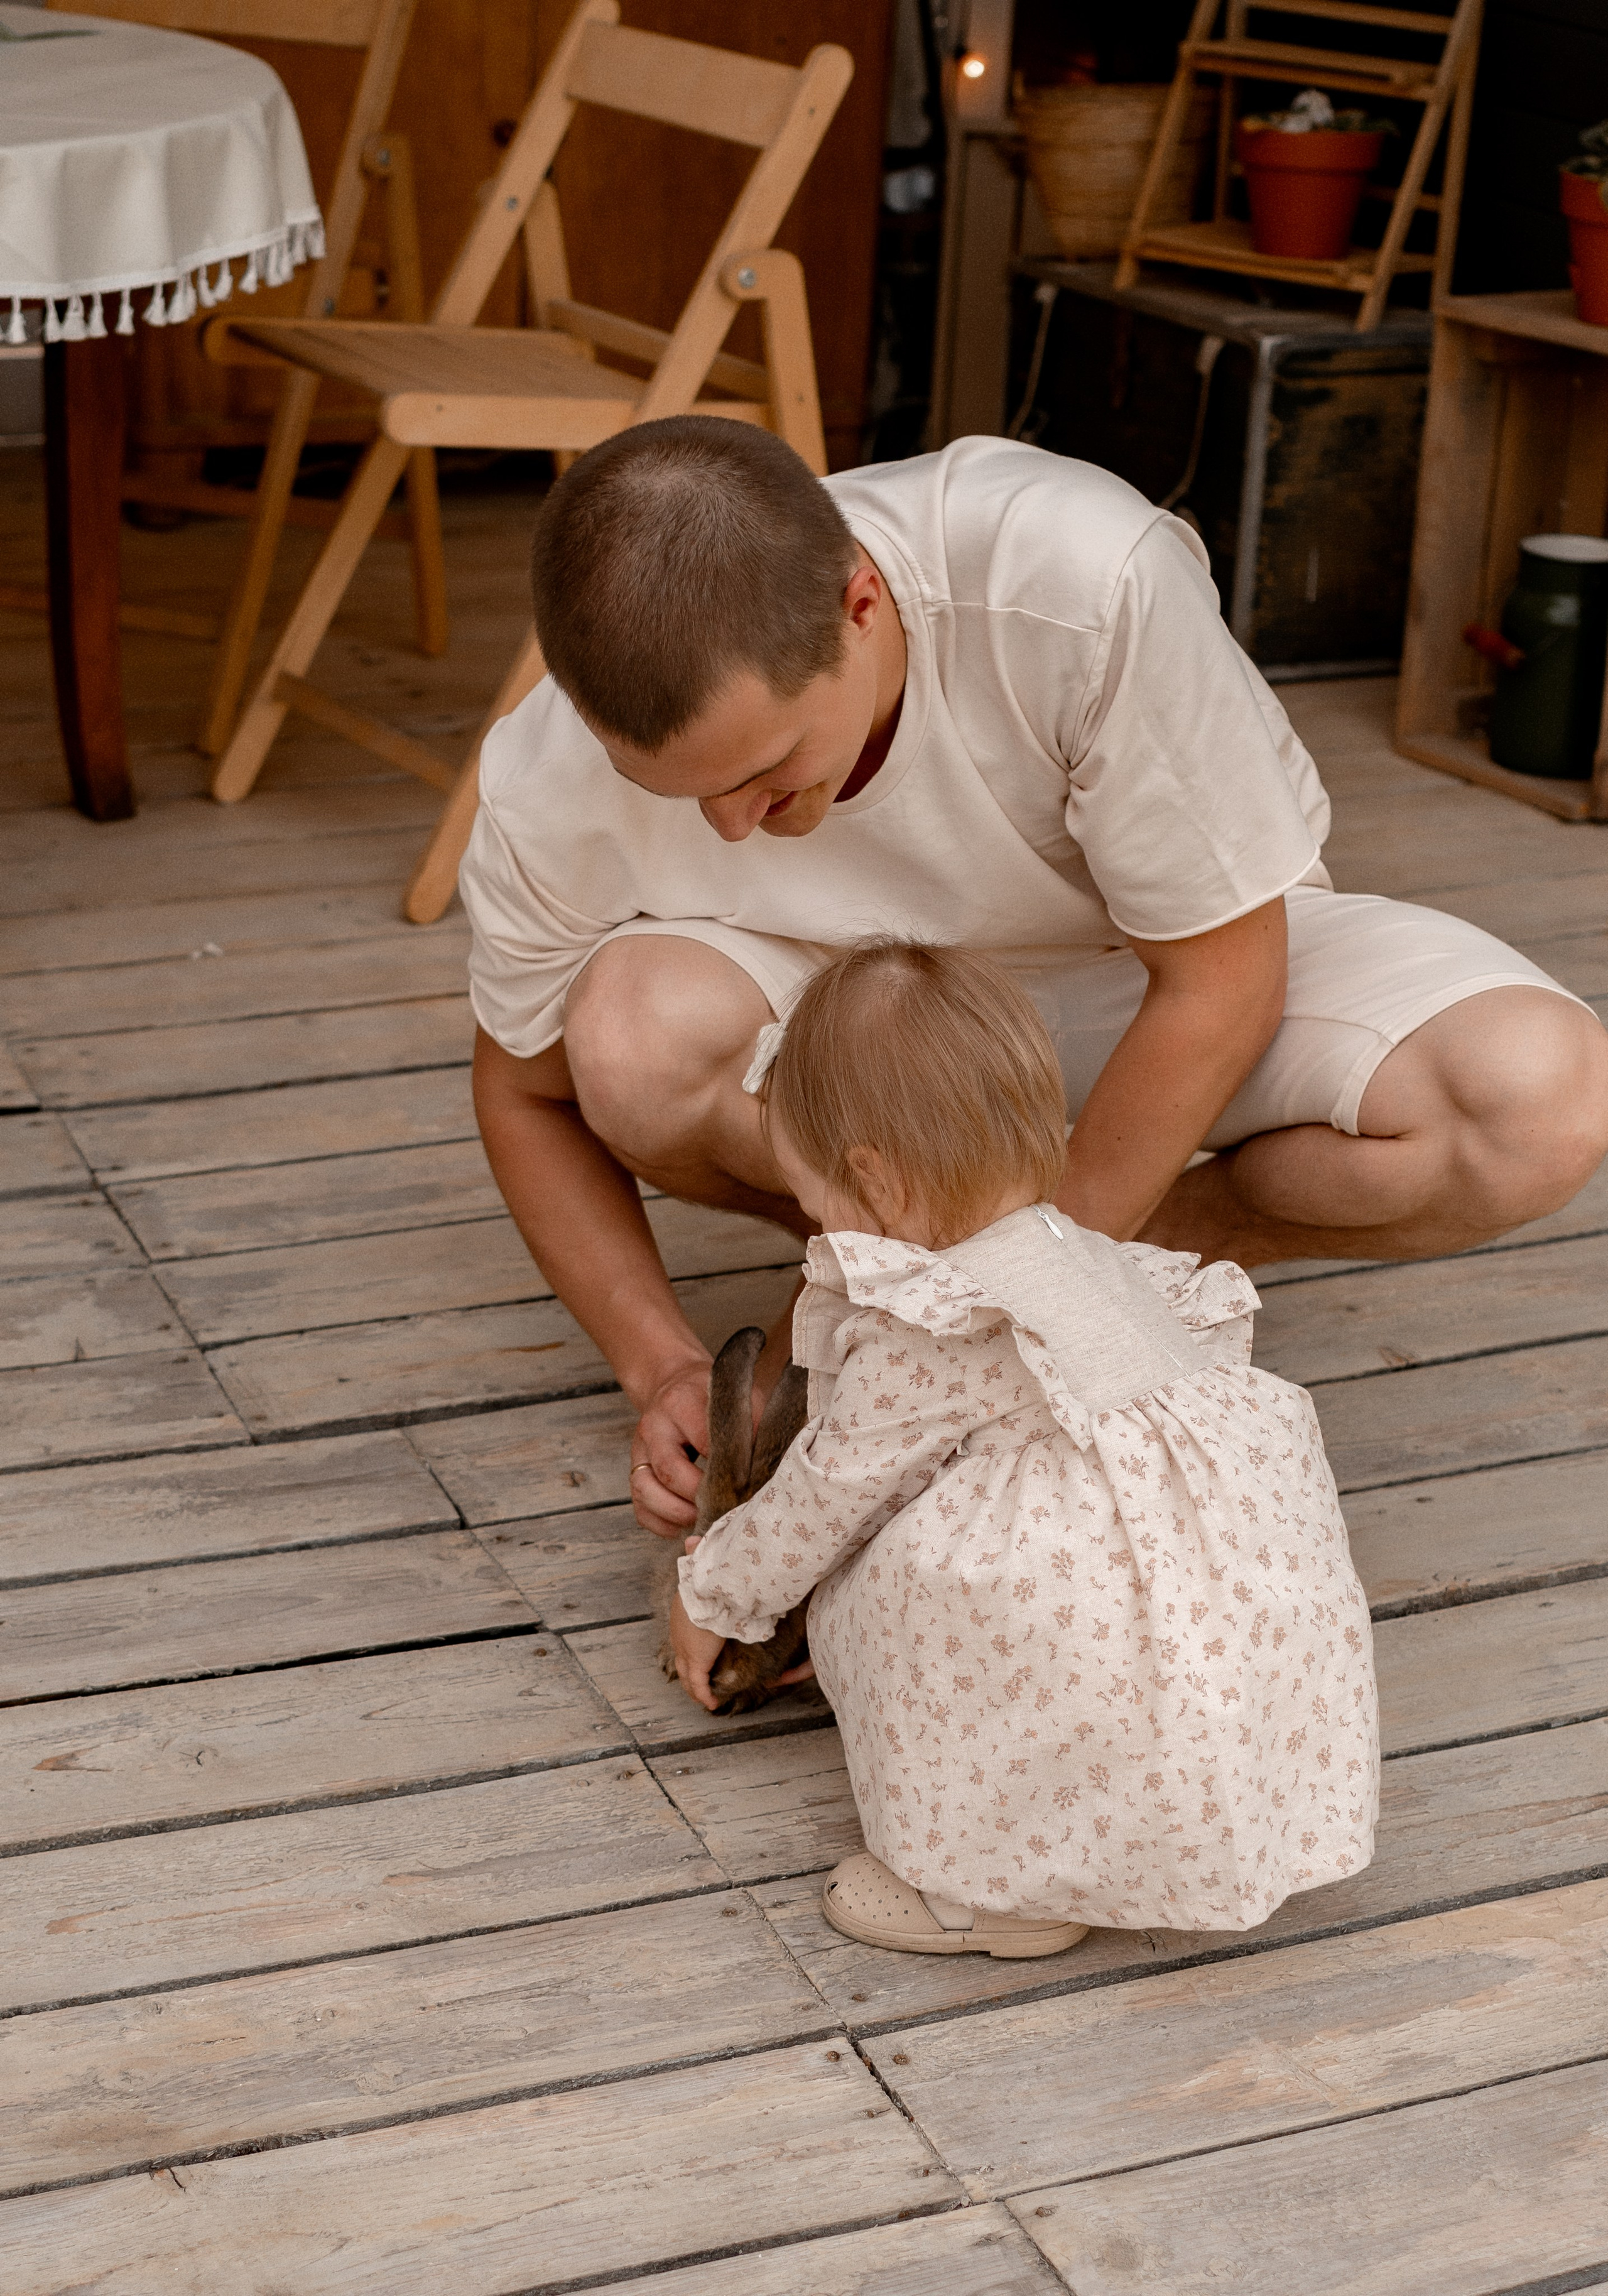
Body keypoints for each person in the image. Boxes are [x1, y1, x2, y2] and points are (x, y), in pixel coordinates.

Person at [462, 417, 1608, 1543]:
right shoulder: (549, 763)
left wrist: (1016, 1302)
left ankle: (992, 1281)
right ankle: (909, 1279)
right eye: (676, 791)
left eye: (765, 772)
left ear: (861, 604)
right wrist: (660, 1364)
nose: (728, 825)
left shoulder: (1077, 575)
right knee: (624, 1033)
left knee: (1536, 1102)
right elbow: (525, 1091)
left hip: (1145, 977)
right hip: (857, 1030)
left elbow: (1222, 978)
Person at [668, 942, 1379, 1957]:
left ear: (872, 1178)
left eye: (811, 1194)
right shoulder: (1083, 1258)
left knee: (933, 1579)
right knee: (1067, 1579)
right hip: (1232, 1624)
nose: (815, 1221)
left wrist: (715, 1593)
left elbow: (828, 1491)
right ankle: (1192, 1823)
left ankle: (996, 1897)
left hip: (1089, 1641)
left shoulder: (935, 1323)